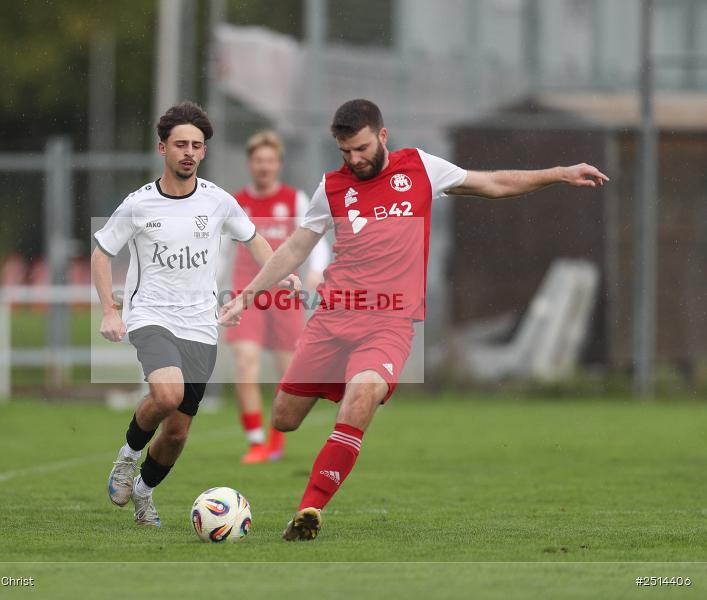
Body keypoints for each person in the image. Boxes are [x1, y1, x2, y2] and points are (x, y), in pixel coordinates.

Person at [219, 98, 608, 541]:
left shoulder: (420, 169)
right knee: (285, 419)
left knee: (361, 398)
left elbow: (494, 183)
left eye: (362, 148)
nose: (355, 159)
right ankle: (333, 405)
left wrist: (558, 173)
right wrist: (247, 296)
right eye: (345, 151)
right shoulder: (330, 188)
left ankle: (308, 509)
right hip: (332, 319)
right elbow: (294, 248)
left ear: (382, 135)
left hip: (388, 323)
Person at [92, 102, 300, 527]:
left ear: (204, 152)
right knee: (166, 395)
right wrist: (110, 311)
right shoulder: (139, 204)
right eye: (180, 144)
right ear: (162, 148)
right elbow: (101, 253)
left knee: (177, 433)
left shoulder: (218, 201)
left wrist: (285, 273)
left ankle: (145, 493)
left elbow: (255, 239)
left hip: (201, 326)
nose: (188, 152)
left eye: (196, 145)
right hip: (150, 316)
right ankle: (126, 459)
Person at [226, 131, 328, 464]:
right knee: (246, 362)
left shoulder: (295, 200)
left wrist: (317, 269)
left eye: (269, 161)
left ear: (279, 164)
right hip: (247, 289)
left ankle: (275, 442)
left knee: (287, 372)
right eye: (258, 161)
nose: (264, 166)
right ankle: (255, 441)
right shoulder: (236, 203)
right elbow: (220, 251)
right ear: (250, 164)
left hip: (285, 292)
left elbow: (316, 237)